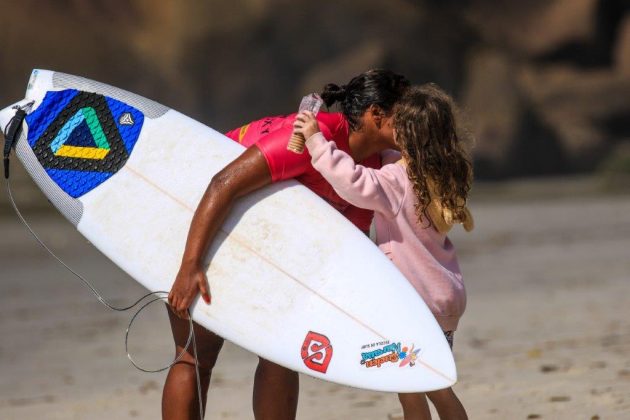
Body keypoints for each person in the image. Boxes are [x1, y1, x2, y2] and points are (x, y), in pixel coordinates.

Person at [163, 69, 410, 420]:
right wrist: (190, 266)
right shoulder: (312, 137)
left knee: (281, 355)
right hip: (204, 220)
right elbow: (222, 183)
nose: (416, 124)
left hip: (265, 241)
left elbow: (345, 244)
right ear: (376, 116)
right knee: (195, 356)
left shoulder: (367, 167)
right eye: (408, 115)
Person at [295, 83, 473, 420]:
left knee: (412, 391)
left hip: (412, 304)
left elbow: (353, 182)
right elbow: (389, 165)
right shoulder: (439, 175)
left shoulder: (396, 181)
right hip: (444, 297)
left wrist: (317, 141)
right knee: (433, 384)